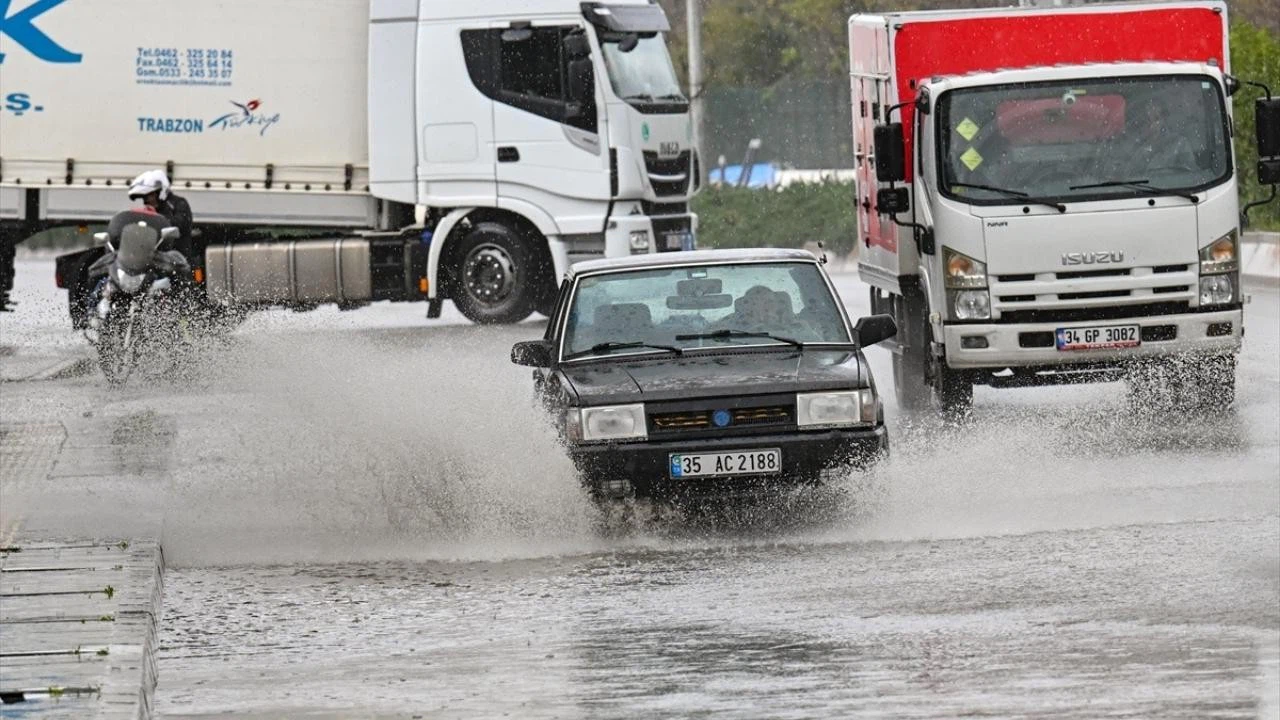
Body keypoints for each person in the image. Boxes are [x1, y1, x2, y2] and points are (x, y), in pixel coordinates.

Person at [127, 170, 195, 261]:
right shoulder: (149, 212)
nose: (146, 201)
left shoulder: (179, 204)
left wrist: (154, 217)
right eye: (144, 198)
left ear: (160, 192)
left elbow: (179, 224)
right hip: (153, 259)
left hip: (177, 260)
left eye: (148, 196)